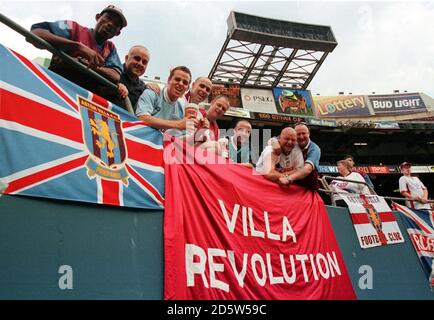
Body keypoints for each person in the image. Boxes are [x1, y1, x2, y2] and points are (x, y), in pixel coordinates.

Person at [30, 5, 127, 99]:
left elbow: (115, 76)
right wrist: (77, 46)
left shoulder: (110, 48)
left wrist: (83, 62)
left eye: (116, 24)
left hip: (83, 101)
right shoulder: (74, 28)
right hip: (55, 89)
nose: (110, 24)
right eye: (108, 18)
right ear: (98, 17)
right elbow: (35, 33)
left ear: (117, 33)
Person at [135, 66, 193, 133]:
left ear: (187, 88)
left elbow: (183, 136)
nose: (180, 84)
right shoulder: (153, 92)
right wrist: (178, 124)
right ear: (169, 80)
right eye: (177, 79)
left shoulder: (181, 108)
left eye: (185, 82)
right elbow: (142, 118)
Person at [278, 124, 321, 191]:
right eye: (298, 134)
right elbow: (279, 137)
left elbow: (307, 169)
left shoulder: (314, 149)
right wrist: (273, 142)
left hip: (306, 187)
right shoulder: (292, 141)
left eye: (304, 133)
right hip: (290, 183)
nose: (301, 137)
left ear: (309, 134)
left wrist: (288, 178)